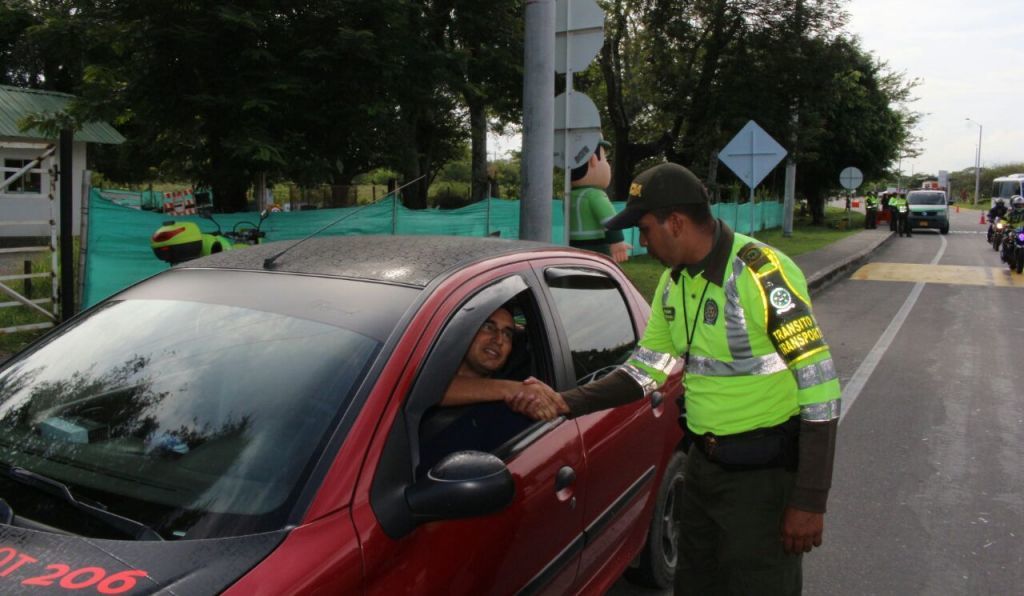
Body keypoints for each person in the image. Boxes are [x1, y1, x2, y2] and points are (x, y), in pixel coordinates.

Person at [510, 163, 841, 595]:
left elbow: (821, 389)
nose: (641, 241)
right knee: (695, 584)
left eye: (645, 229)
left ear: (677, 223)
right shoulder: (673, 283)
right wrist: (565, 401)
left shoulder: (761, 274)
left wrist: (809, 500)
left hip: (763, 479)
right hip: (703, 469)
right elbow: (645, 370)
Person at [441, 305, 561, 420]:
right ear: (467, 332)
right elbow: (431, 388)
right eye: (488, 327)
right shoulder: (431, 363)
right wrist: (514, 390)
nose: (499, 340)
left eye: (507, 334)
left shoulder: (514, 407)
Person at [570, 139, 631, 262]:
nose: (608, 165)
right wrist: (617, 241)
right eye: (605, 159)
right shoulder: (595, 195)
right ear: (593, 160)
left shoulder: (569, 195)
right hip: (597, 247)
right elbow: (610, 221)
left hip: (573, 246)